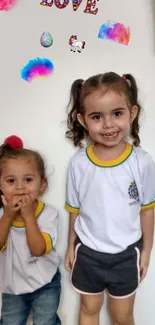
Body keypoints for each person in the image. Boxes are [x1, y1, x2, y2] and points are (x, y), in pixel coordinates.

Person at [65, 72, 155, 325]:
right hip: (89, 252)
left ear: (132, 113)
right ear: (83, 120)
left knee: (122, 316)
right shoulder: (79, 163)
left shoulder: (142, 161)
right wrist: (71, 246)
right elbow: (75, 209)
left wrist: (147, 251)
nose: (108, 125)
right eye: (97, 116)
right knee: (89, 308)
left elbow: (147, 209)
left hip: (126, 254)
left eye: (117, 113)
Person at [0, 135, 61, 325]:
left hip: (45, 284)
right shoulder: (3, 215)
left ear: (42, 185)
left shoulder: (49, 214)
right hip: (13, 288)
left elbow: (38, 249)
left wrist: (28, 216)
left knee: (45, 322)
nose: (20, 187)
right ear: (1, 186)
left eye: (28, 180)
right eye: (11, 181)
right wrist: (8, 216)